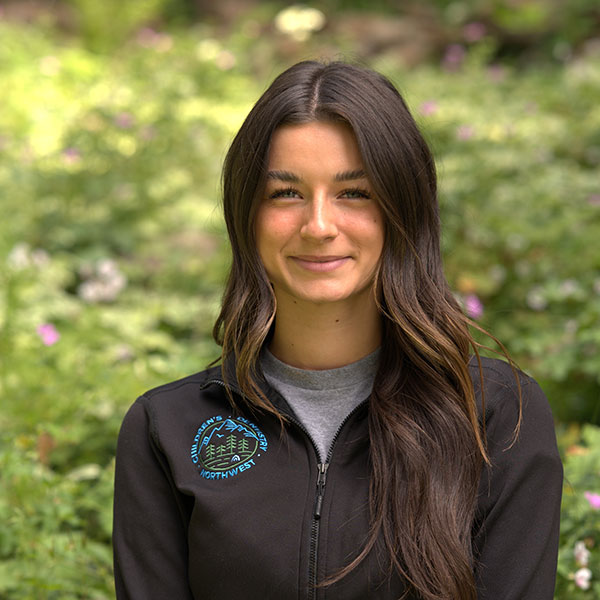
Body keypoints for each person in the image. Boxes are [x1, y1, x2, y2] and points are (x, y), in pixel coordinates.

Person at [112, 60, 563, 600]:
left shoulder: (495, 417)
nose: (319, 226)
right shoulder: (166, 428)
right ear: (246, 215)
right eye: (286, 194)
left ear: (403, 209)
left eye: (355, 193)